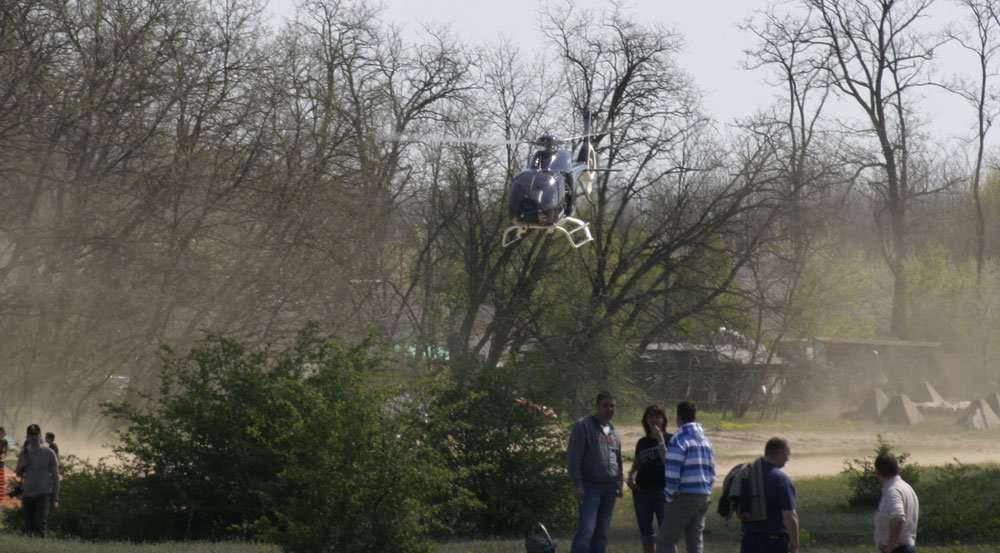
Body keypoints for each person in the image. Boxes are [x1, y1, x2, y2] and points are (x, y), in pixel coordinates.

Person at [567, 391, 624, 553]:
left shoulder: (614, 432)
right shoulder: (583, 425)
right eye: (605, 405)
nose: (609, 409)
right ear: (597, 406)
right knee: (587, 530)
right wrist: (577, 484)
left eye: (612, 406)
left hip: (610, 488)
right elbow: (574, 457)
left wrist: (620, 481)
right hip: (589, 487)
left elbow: (618, 459)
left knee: (602, 533)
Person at [655, 401, 716, 553]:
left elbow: (672, 471)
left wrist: (670, 495)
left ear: (679, 417)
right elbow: (712, 472)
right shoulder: (706, 441)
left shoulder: (679, 439)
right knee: (695, 542)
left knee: (665, 540)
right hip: (703, 495)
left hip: (684, 496)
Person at [740, 438, 800, 553]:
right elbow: (790, 515)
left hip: (748, 541)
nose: (788, 459)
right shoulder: (781, 479)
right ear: (780, 452)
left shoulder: (748, 474)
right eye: (788, 454)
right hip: (773, 542)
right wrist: (795, 546)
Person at [626, 404, 671, 553]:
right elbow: (637, 465)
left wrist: (660, 439)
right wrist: (630, 477)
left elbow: (669, 462)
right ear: (645, 420)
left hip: (663, 491)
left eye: (658, 416)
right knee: (647, 536)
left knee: (668, 536)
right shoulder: (642, 442)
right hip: (642, 492)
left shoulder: (671, 439)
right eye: (651, 416)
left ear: (664, 420)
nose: (654, 419)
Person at [15, 424, 60, 537]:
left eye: (36, 434)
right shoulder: (24, 453)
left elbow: (56, 477)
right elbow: (18, 473)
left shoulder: (49, 453)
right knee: (29, 528)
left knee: (40, 525)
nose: (34, 437)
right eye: (31, 435)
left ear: (40, 436)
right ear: (27, 437)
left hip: (44, 494)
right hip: (28, 494)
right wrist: (23, 465)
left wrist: (55, 499)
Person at [874, 452, 919, 553]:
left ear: (878, 472)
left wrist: (890, 547)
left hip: (899, 550)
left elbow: (898, 518)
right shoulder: (907, 488)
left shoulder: (893, 491)